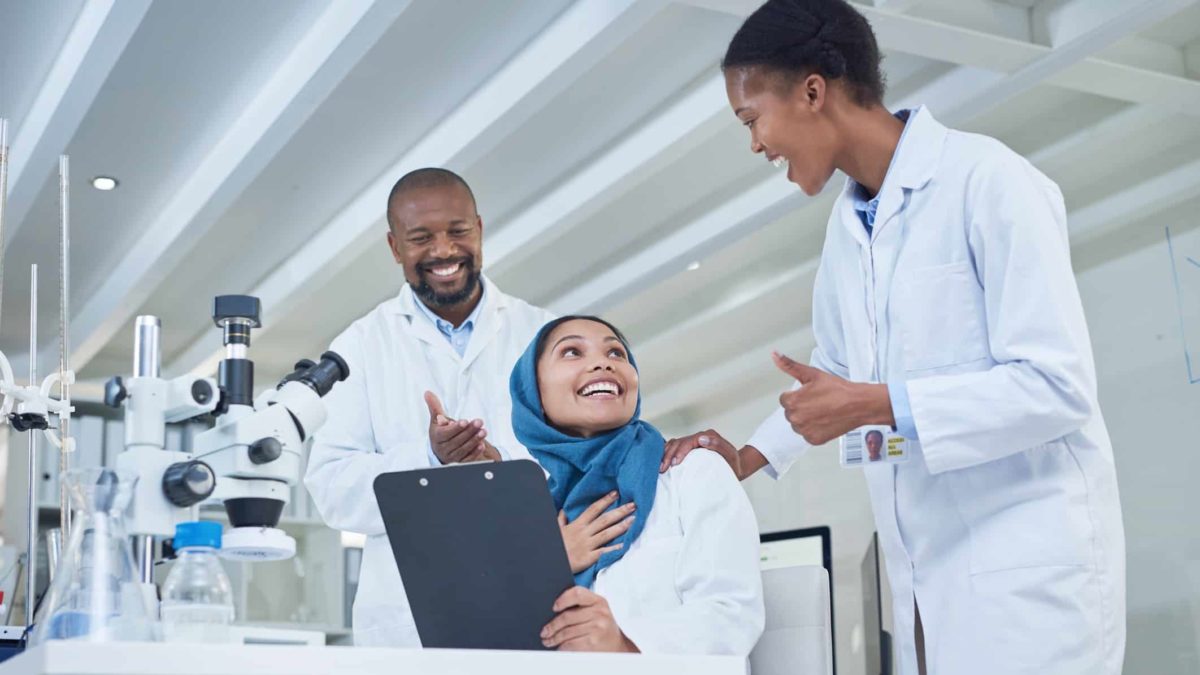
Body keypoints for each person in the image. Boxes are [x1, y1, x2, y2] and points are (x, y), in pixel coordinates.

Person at [659, 2, 1126, 674]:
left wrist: (881, 403)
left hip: (1029, 586)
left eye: (751, 117)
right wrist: (747, 455)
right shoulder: (846, 235)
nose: (756, 143)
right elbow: (836, 374)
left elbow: (1058, 387)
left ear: (812, 91)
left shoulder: (987, 181)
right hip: (923, 587)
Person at [304, 169, 625, 647]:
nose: (443, 251)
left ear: (479, 229)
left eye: (458, 231)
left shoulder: (546, 336)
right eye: (420, 238)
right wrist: (431, 460)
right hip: (409, 627)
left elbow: (597, 463)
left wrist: (503, 472)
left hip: (544, 603)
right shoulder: (360, 347)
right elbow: (331, 489)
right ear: (395, 248)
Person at [510, 316, 764, 655]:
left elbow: (731, 613)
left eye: (616, 353)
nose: (603, 362)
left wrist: (625, 645)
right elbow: (488, 641)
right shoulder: (529, 513)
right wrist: (549, 566)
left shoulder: (693, 472)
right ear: (534, 392)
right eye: (572, 352)